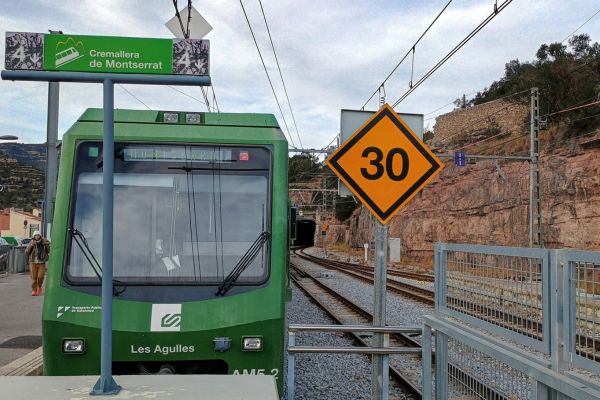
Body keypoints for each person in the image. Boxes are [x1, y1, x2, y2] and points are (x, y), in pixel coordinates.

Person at [25, 230, 50, 296]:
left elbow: (49, 250)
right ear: (33, 236)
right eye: (35, 235)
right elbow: (26, 252)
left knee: (40, 277)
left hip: (41, 262)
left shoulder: (44, 242)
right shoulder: (31, 242)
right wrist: (31, 245)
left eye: (38, 235)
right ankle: (34, 290)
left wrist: (47, 244)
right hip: (33, 262)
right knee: (33, 277)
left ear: (40, 236)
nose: (37, 236)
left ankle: (39, 286)